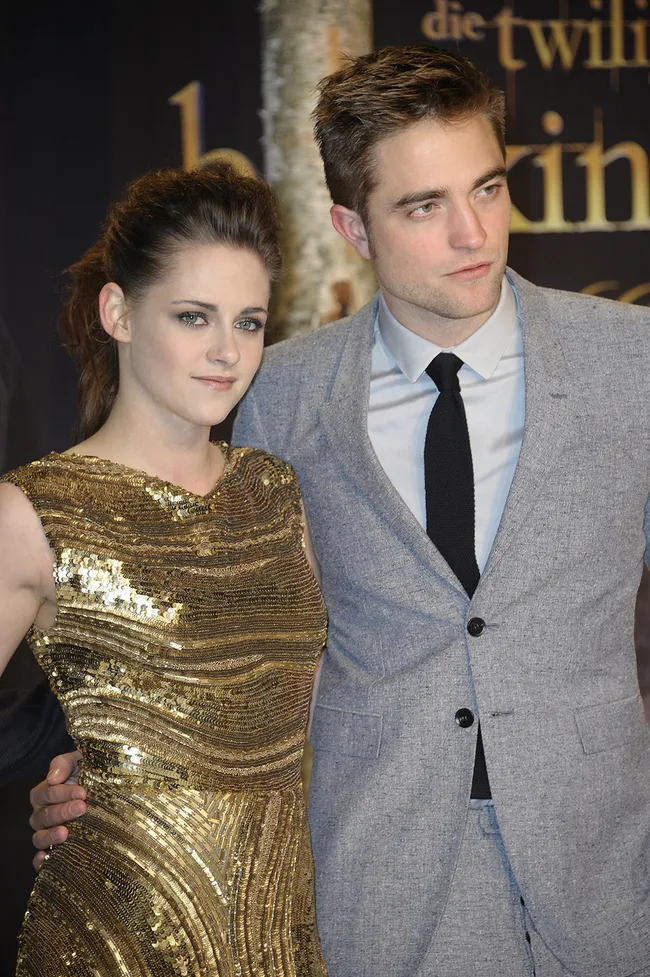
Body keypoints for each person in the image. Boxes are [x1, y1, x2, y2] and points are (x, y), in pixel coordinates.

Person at [29, 44, 650, 977]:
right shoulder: (272, 393)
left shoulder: (632, 361)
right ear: (352, 229)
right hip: (379, 895)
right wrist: (103, 773)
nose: (473, 232)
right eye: (423, 206)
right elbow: (179, 606)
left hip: (608, 888)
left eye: (486, 188)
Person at [0, 162, 328, 976]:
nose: (227, 352)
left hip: (278, 943)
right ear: (118, 311)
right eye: (193, 316)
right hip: (111, 946)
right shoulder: (33, 511)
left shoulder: (274, 491)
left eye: (250, 322)